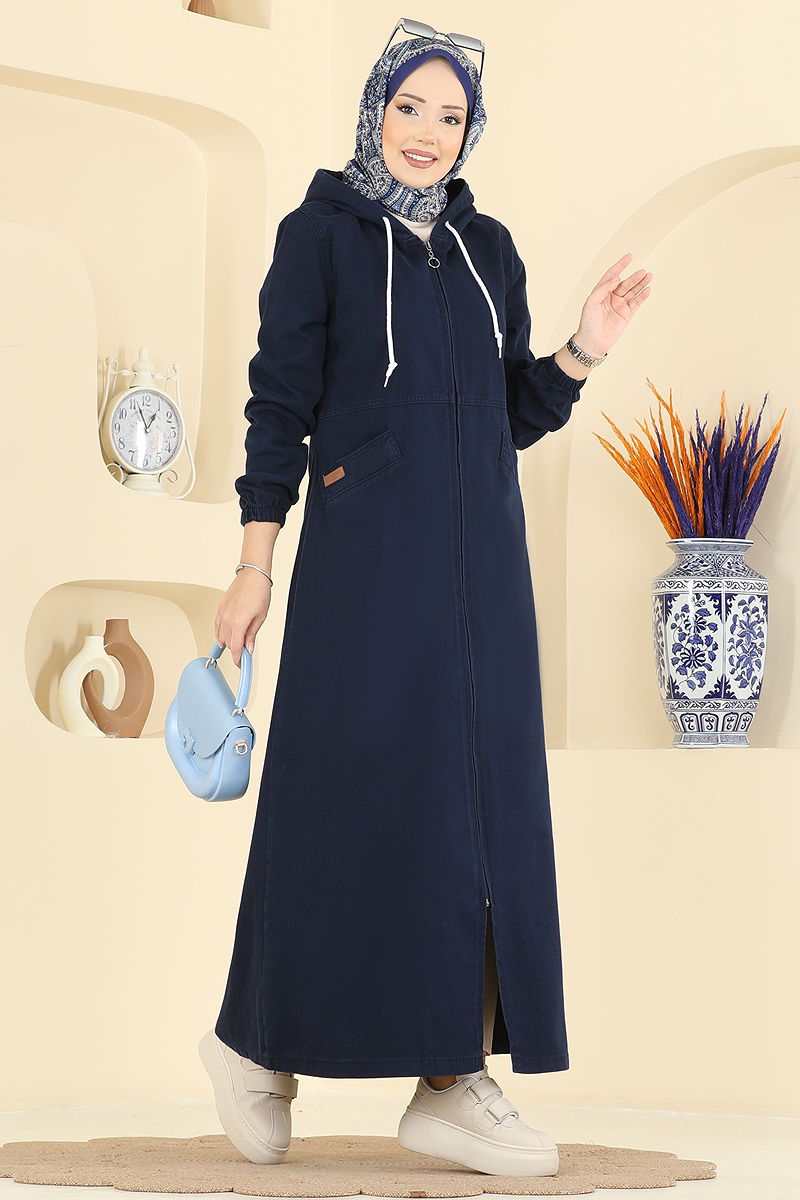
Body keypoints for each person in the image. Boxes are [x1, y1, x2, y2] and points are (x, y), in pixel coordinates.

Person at [198, 27, 653, 1180]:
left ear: (468, 133)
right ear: (374, 110)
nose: (426, 133)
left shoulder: (485, 250)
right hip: (364, 564)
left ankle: (450, 1078)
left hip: (482, 573)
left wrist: (581, 352)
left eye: (449, 117)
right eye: (409, 107)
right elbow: (278, 406)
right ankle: (253, 1046)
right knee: (337, 798)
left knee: (477, 811)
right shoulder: (318, 237)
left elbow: (507, 414)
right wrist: (253, 564)